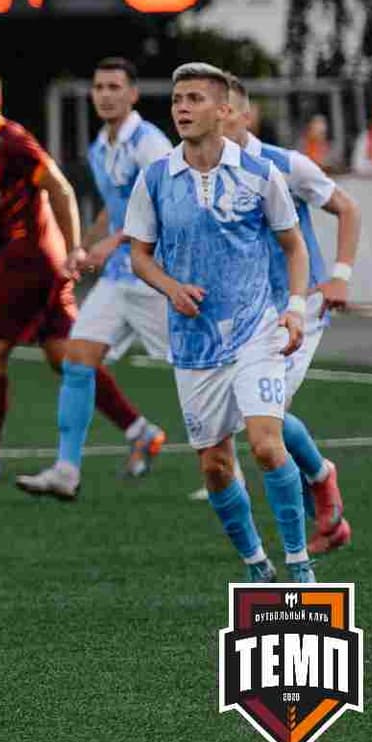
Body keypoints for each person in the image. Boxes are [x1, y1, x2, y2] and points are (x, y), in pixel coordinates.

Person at [125, 62, 315, 582]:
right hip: (193, 344)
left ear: (223, 110)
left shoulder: (260, 174)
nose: (182, 108)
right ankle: (258, 563)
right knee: (214, 464)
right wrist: (171, 288)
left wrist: (295, 308)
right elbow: (139, 254)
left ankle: (300, 562)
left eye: (194, 99)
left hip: (257, 331)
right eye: (177, 100)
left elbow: (293, 246)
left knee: (266, 443)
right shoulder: (157, 177)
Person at [0, 66, 157, 484]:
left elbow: (60, 188)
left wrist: (74, 249)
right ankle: (141, 431)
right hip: (35, 261)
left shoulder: (12, 140)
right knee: (66, 357)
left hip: (27, 260)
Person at [15, 58, 169, 500]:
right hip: (120, 278)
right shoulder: (101, 145)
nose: (105, 94)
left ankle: (240, 460)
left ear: (133, 94)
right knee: (77, 360)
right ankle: (67, 469)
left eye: (115, 87)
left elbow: (163, 209)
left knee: (206, 373)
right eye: (99, 86)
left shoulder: (150, 143)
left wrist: (114, 244)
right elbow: (115, 208)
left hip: (159, 278)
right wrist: (83, 247)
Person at [226, 76, 358, 554]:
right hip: (246, 316)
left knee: (266, 416)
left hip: (299, 308)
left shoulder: (287, 164)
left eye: (223, 109)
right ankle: (328, 522)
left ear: (245, 116)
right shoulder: (208, 173)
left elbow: (348, 208)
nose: (210, 117)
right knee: (256, 424)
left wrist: (340, 274)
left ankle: (323, 479)